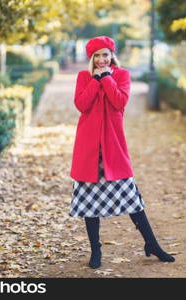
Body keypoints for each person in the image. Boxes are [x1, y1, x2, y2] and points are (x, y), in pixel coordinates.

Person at [68, 36, 175, 269]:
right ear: (92, 58)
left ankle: (152, 244)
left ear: (112, 55)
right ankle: (95, 251)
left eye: (105, 54)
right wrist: (95, 81)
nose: (101, 59)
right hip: (88, 148)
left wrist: (106, 78)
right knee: (89, 202)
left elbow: (119, 102)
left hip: (113, 147)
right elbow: (82, 105)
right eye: (97, 55)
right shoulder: (83, 76)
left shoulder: (122, 75)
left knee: (131, 198)